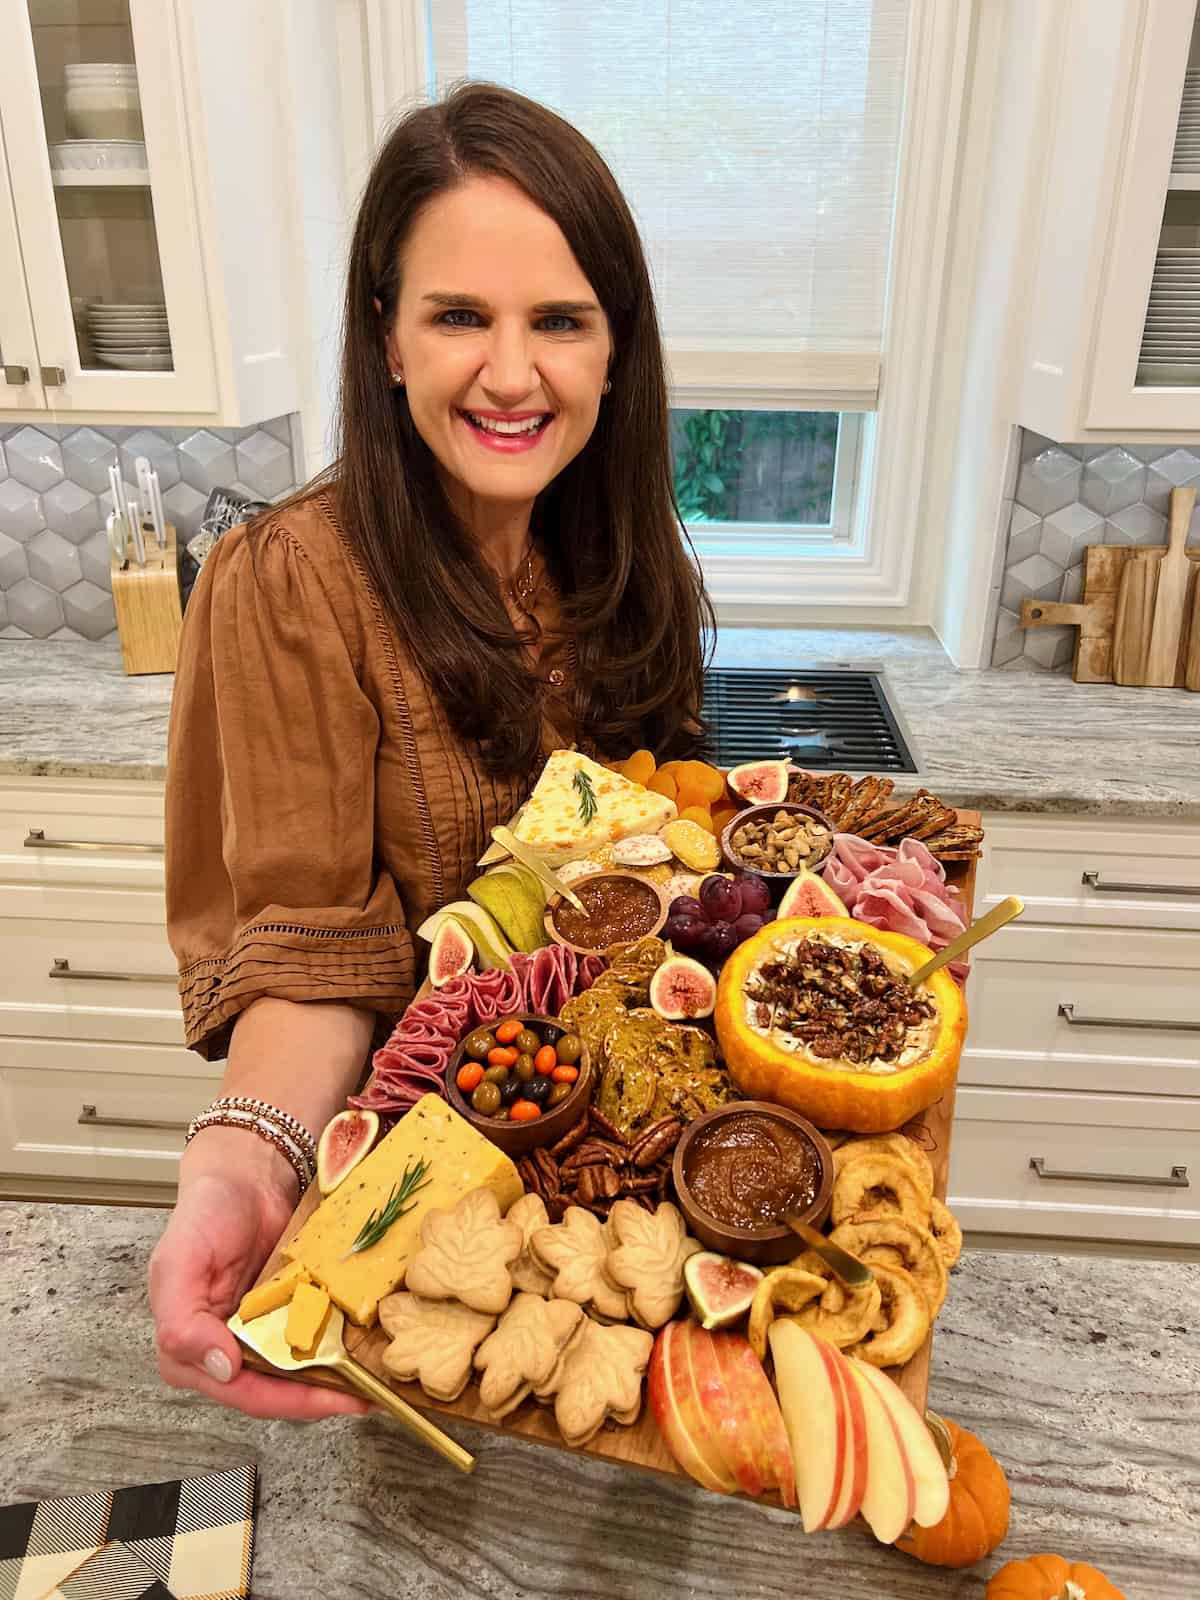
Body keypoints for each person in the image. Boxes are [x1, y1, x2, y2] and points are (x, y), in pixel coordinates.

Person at [147, 82, 714, 1418]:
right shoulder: (292, 579)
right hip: (427, 1233)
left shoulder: (617, 555)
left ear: (615, 350)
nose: (512, 374)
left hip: (611, 1180)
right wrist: (246, 1161)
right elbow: (315, 948)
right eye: (460, 315)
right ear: (386, 340)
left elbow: (651, 840)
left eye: (559, 322)